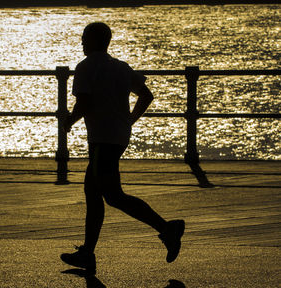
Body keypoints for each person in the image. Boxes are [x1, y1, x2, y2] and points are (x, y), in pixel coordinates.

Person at [60, 22, 185, 274]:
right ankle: (88, 252)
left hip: (102, 140)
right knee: (97, 193)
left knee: (111, 196)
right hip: (118, 136)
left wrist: (68, 122)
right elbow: (146, 95)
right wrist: (130, 120)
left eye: (84, 38)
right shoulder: (121, 67)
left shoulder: (86, 68)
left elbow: (83, 101)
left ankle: (167, 229)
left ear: (94, 41)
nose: (81, 43)